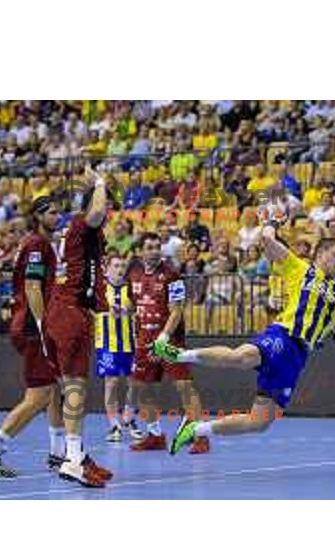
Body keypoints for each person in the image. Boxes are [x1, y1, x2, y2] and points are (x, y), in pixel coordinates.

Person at [152, 227, 335, 455]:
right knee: (241, 358)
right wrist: (271, 223)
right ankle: (178, 354)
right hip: (283, 335)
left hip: (297, 357)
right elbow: (267, 240)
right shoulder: (301, 269)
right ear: (320, 254)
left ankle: (195, 429)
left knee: (259, 422)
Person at [0, 196, 65, 477]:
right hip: (32, 327)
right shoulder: (37, 245)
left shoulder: (36, 243)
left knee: (51, 391)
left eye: (58, 212)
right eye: (51, 213)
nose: (57, 217)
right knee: (39, 396)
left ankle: (58, 453)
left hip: (30, 325)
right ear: (37, 217)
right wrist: (42, 324)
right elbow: (33, 288)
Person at [44, 167, 113, 487]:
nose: (109, 211)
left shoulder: (83, 234)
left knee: (72, 388)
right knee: (75, 389)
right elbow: (97, 210)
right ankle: (71, 459)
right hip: (70, 313)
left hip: (66, 312)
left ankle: (77, 454)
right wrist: (99, 182)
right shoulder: (82, 226)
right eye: (107, 204)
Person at [127, 232, 210, 454]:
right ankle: (155, 435)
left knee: (185, 386)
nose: (155, 251)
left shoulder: (172, 276)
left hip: (169, 340)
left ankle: (200, 436)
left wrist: (163, 338)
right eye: (150, 247)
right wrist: (122, 311)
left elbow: (177, 310)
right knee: (143, 388)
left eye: (157, 247)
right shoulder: (133, 274)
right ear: (140, 251)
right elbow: (133, 305)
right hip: (145, 340)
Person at [95, 253, 144, 443]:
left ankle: (129, 419)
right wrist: (108, 312)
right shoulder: (100, 289)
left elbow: (137, 309)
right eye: (115, 265)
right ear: (107, 268)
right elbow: (91, 311)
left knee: (134, 382)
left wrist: (125, 311)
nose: (120, 269)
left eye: (122, 265)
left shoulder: (130, 288)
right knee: (112, 382)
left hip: (130, 342)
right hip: (107, 343)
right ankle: (113, 425)